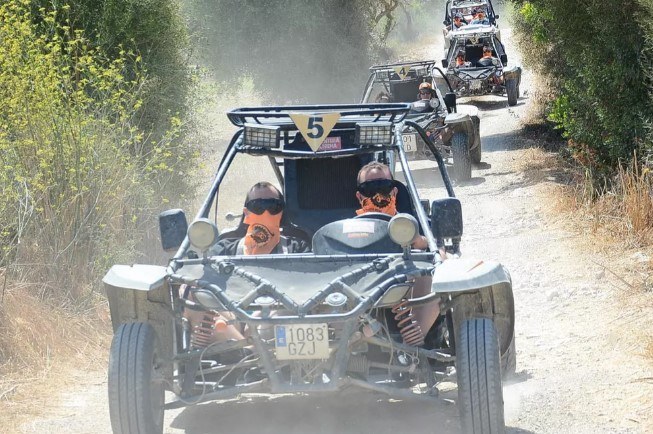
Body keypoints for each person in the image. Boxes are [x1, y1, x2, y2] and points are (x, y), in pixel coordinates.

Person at [355, 162, 439, 342]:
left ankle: (414, 345)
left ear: (394, 192)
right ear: (359, 195)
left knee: (437, 270)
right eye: (369, 188)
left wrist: (417, 241)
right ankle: (348, 341)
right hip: (359, 292)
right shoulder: (347, 228)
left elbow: (439, 250)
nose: (377, 194)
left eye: (384, 187)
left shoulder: (413, 224)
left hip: (406, 288)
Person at [212, 181, 310, 255]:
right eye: (257, 206)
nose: (266, 213)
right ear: (246, 213)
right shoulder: (225, 250)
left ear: (281, 212)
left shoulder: (297, 249)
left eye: (273, 206)